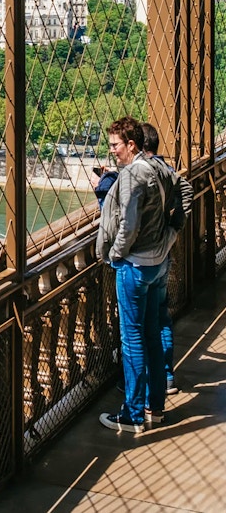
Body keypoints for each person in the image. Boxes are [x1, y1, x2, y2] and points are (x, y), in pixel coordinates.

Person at [96, 116, 192, 433]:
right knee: (151, 336)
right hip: (158, 261)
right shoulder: (159, 169)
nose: (112, 152)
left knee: (132, 340)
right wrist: (168, 241)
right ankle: (156, 407)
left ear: (131, 144)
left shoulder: (132, 177)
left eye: (115, 145)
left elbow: (128, 225)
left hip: (135, 265)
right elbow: (178, 203)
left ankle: (133, 414)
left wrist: (115, 253)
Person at [141, 122, 193, 395]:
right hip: (164, 254)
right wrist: (173, 231)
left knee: (143, 323)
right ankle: (166, 375)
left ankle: (147, 385)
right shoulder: (166, 170)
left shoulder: (144, 172)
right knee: (161, 317)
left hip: (146, 257)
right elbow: (187, 193)